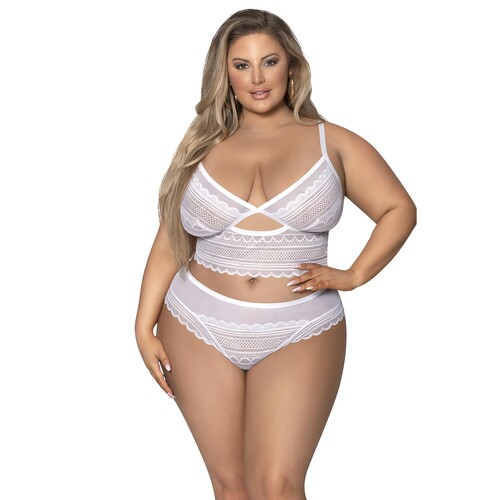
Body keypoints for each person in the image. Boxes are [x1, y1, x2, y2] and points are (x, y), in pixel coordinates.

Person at [135, 8, 416, 500]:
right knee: (231, 487)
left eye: (269, 61)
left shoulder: (332, 141)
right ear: (224, 73)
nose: (257, 78)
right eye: (241, 65)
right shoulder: (200, 145)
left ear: (292, 66)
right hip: (194, 323)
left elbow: (399, 209)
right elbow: (168, 243)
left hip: (301, 327)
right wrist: (142, 326)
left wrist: (353, 275)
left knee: (277, 485)